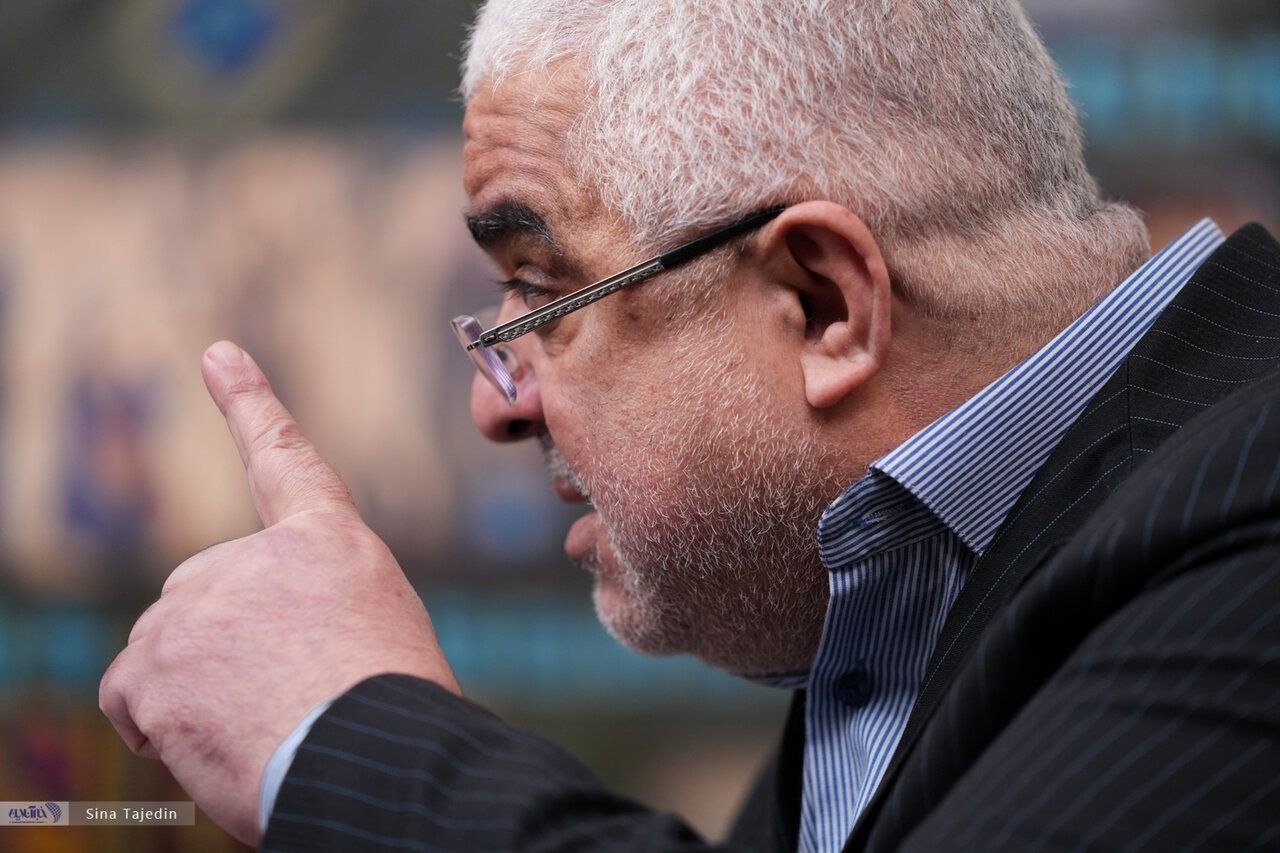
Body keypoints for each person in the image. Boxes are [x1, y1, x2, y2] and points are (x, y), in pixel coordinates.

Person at [99, 0, 1280, 850]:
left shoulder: (1255, 517)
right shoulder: (901, 600)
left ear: (820, 304)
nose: (491, 401)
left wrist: (345, 736)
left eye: (539, 290)